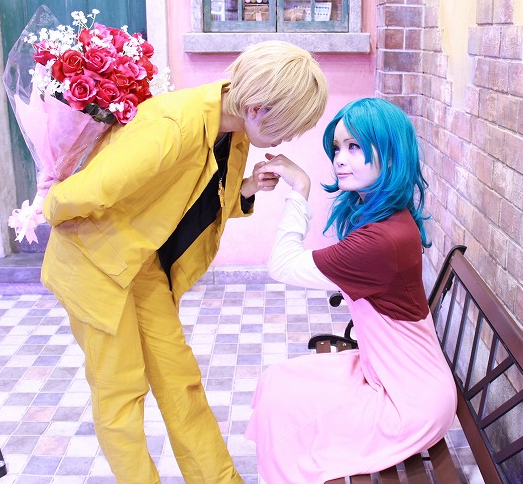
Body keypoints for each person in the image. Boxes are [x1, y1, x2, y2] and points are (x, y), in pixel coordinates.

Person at [39, 40, 328, 484]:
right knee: (121, 393)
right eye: (287, 128)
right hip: (93, 263)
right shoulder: (174, 125)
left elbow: (195, 197)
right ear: (257, 108)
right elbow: (86, 192)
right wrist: (46, 205)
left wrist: (247, 188)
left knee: (180, 381)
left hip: (141, 262)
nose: (287, 140)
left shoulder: (231, 131)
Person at [245, 98, 457, 483]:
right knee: (277, 383)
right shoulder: (389, 219)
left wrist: (300, 188)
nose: (340, 159)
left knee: (289, 418)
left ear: (390, 155)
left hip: (409, 401)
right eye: (337, 148)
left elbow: (282, 265)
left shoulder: (381, 241)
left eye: (355, 146)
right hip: (388, 373)